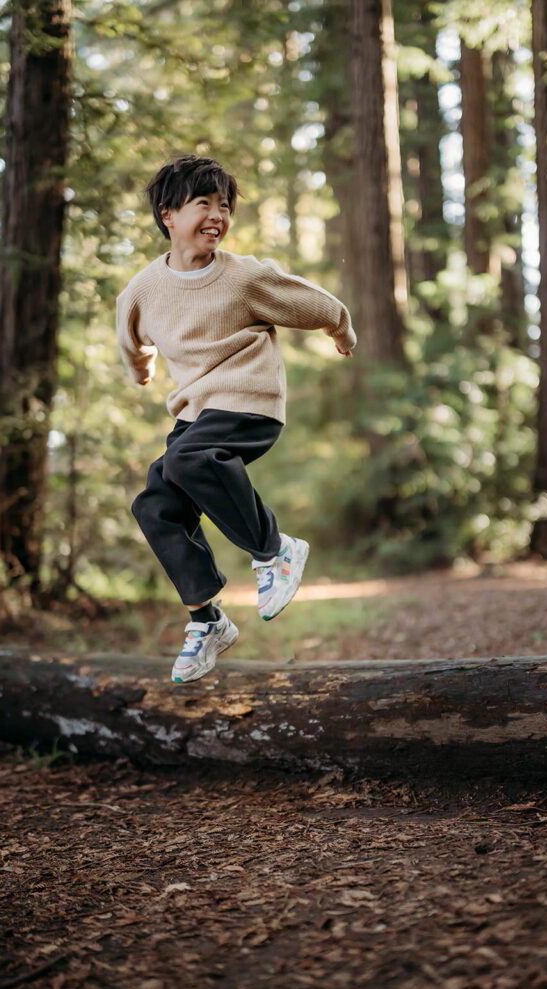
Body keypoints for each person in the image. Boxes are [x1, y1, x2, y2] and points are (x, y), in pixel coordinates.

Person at [116, 154, 356, 683]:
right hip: (196, 415)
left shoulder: (242, 277)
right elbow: (131, 341)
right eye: (203, 203)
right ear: (168, 215)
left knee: (188, 459)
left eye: (224, 206)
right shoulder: (141, 290)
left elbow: (314, 303)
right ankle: (207, 620)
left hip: (250, 401)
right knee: (154, 503)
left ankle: (276, 551)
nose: (216, 216)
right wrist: (142, 369)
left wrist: (342, 329)